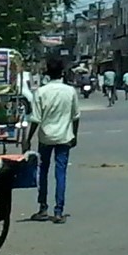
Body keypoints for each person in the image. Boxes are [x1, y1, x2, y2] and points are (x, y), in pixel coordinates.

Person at [27, 59, 79, 224]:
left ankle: (43, 208)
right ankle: (58, 211)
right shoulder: (70, 91)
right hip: (64, 137)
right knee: (61, 173)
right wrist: (74, 136)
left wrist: (27, 139)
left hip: (46, 138)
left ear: (47, 73)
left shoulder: (41, 92)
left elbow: (35, 119)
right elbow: (76, 117)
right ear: (62, 72)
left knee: (43, 172)